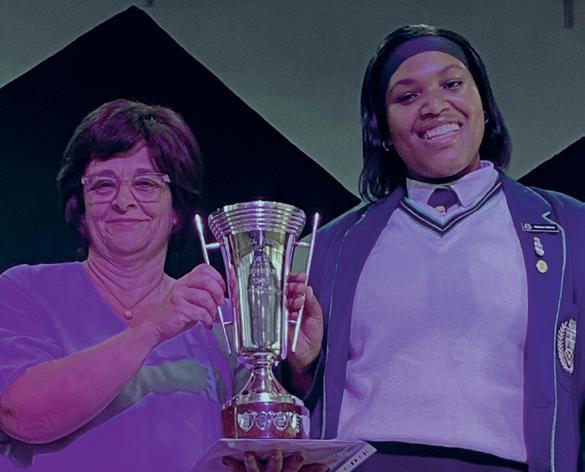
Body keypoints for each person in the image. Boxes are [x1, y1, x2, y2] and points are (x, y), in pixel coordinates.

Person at [284, 24, 585, 471]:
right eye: (407, 96)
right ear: (383, 131)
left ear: (484, 105)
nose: (434, 106)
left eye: (452, 84)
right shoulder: (333, 245)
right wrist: (302, 368)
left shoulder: (568, 228)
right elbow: (295, 402)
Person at [0, 99, 232, 471]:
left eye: (146, 184)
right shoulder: (24, 289)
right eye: (104, 185)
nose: (123, 201)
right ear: (81, 207)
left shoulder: (219, 317)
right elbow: (22, 416)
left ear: (176, 210)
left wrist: (302, 370)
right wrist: (153, 329)